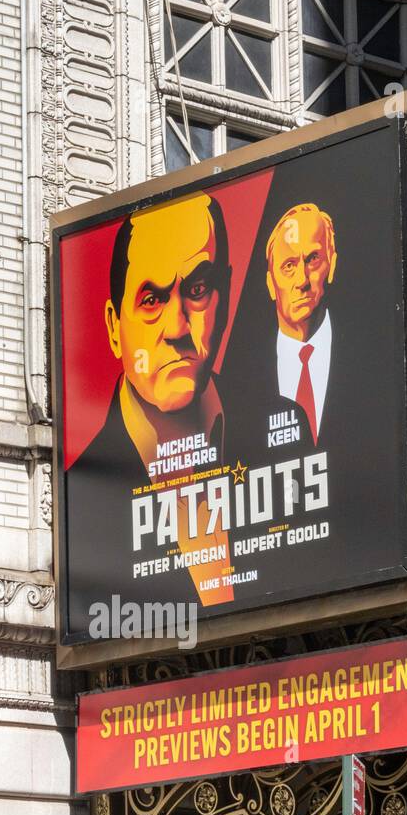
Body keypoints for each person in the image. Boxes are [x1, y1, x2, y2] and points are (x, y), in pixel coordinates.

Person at [64, 193, 236, 631]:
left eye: (197, 290)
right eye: (152, 300)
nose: (177, 328)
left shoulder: (283, 430)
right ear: (113, 328)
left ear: (227, 296)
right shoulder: (80, 500)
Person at [264, 203, 337, 447]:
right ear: (270, 282)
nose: (302, 280)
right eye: (289, 265)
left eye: (313, 259)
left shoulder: (372, 351)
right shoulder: (238, 381)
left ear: (332, 265)